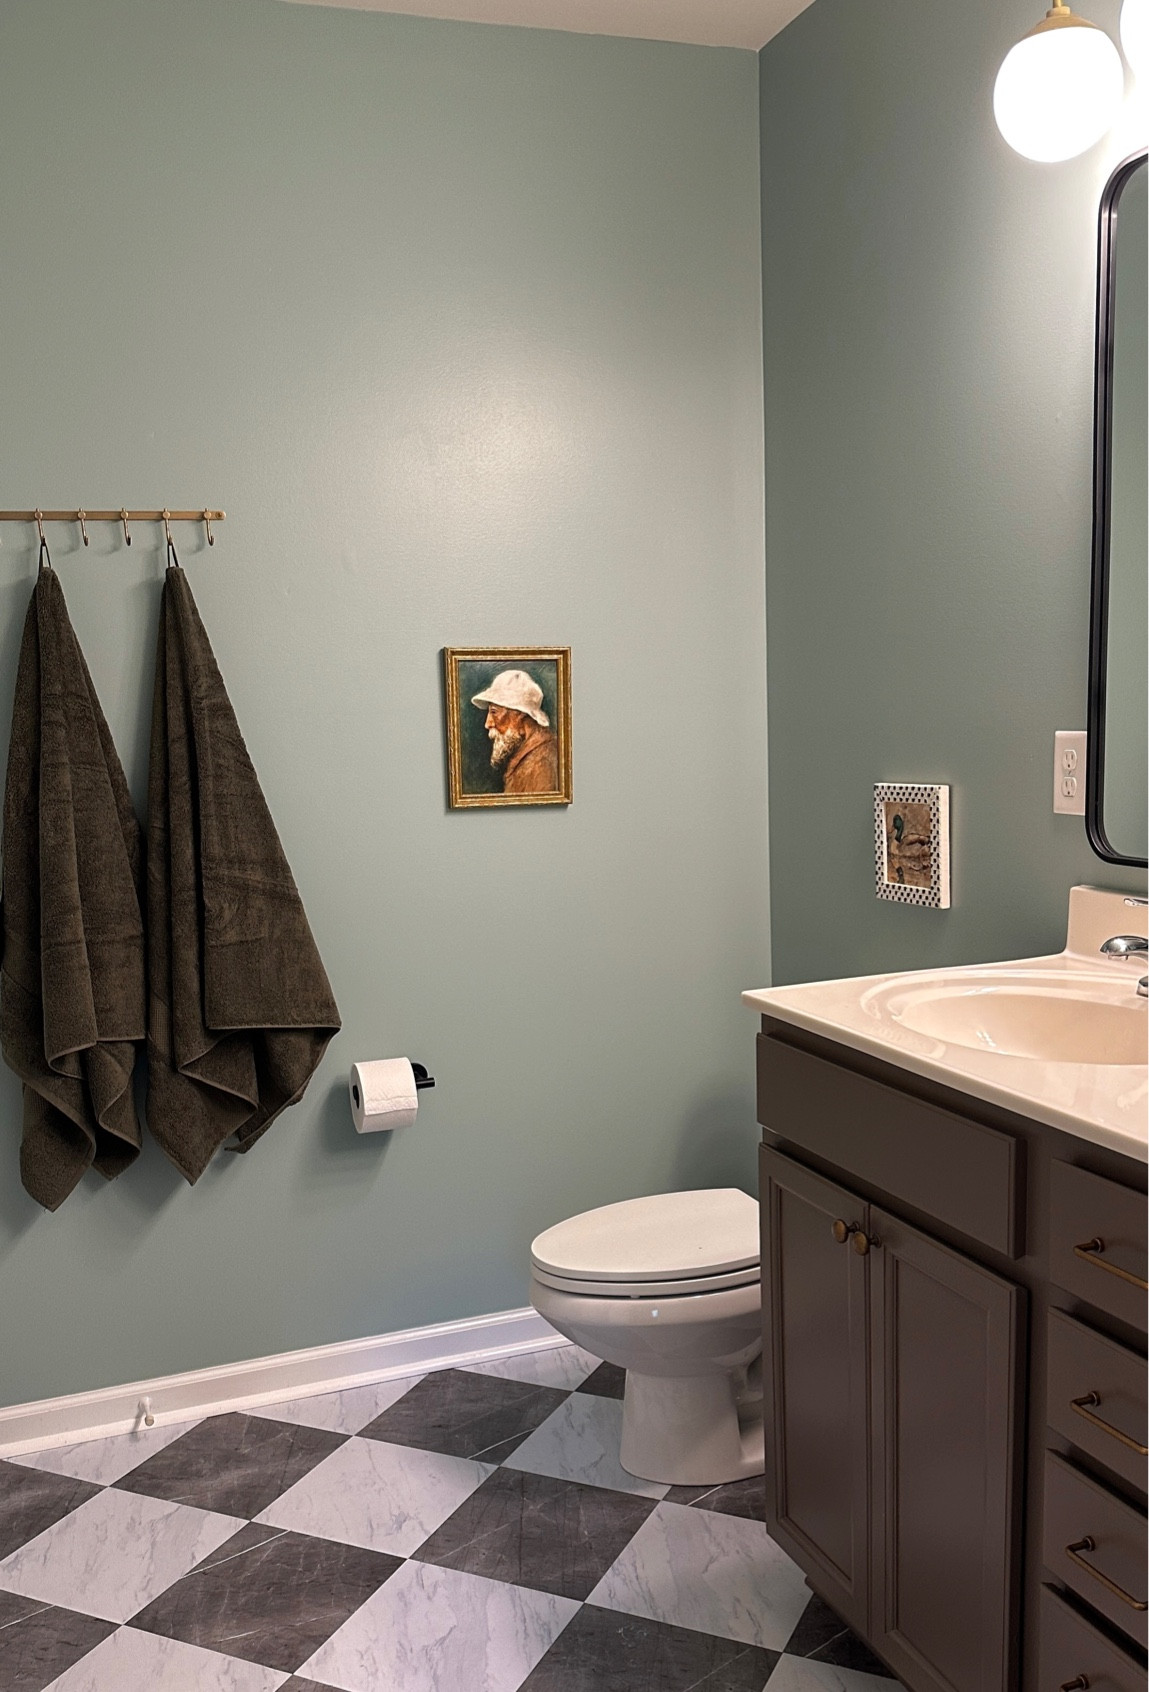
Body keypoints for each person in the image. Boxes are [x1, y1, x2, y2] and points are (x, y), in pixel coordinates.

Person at [470, 669, 558, 795]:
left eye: (494, 712)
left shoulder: (543, 763)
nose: (488, 723)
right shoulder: (529, 753)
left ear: (520, 714)